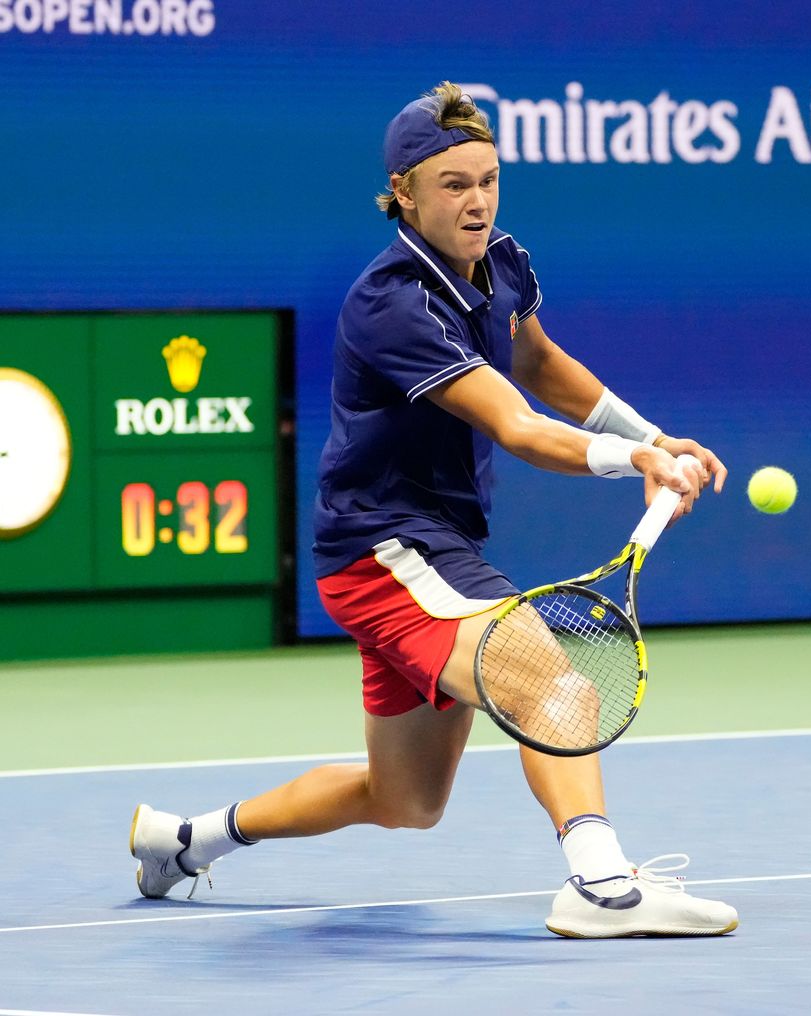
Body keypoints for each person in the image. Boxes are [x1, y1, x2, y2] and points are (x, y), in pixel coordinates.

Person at [129, 82, 738, 939]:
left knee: (405, 799)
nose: (477, 199)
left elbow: (540, 363)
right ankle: (601, 887)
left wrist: (653, 436)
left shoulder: (500, 264)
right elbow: (518, 425)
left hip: (426, 544)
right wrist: (632, 461)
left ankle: (184, 842)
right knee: (551, 683)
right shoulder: (393, 303)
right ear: (403, 194)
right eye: (453, 184)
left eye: (488, 178)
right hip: (387, 548)